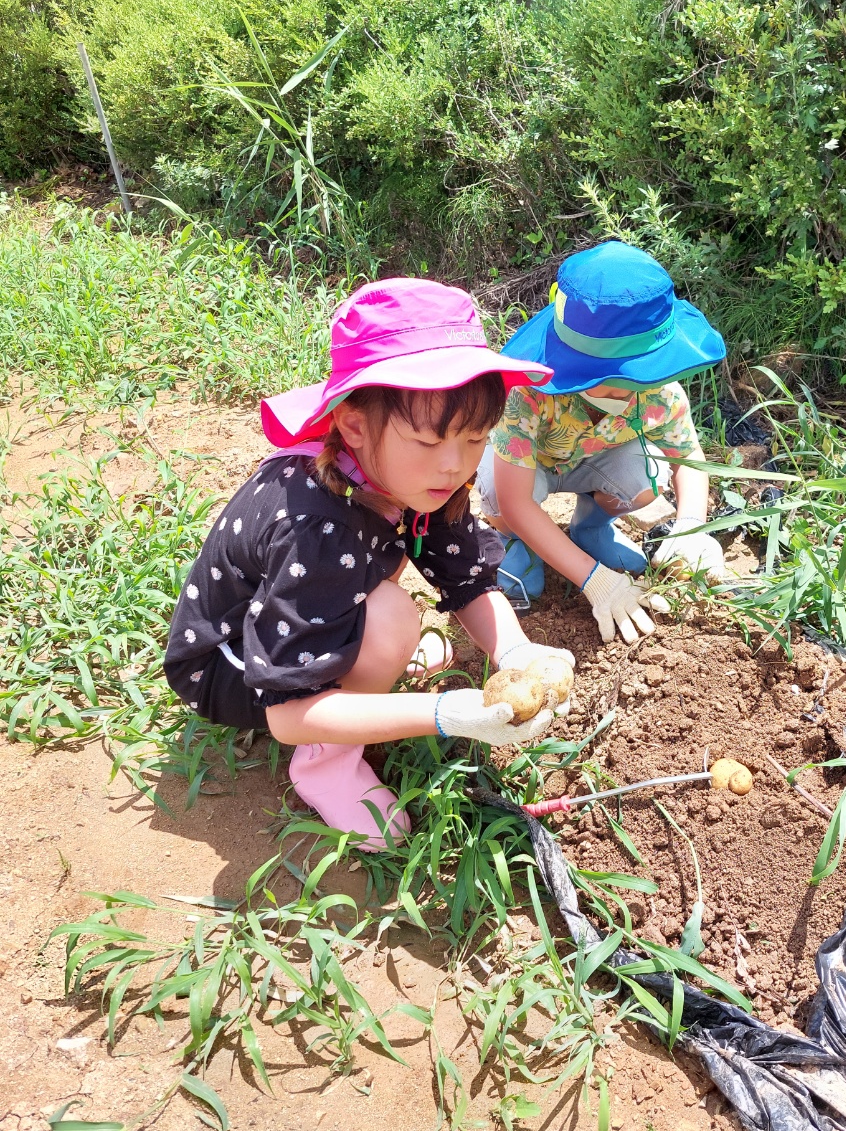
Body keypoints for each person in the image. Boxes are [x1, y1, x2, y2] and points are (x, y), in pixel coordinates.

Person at [164, 278, 574, 847]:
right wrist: (442, 712)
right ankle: (326, 767)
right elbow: (287, 713)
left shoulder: (418, 479)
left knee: (389, 612)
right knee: (394, 620)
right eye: (429, 442)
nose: (454, 466)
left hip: (312, 605)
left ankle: (360, 660)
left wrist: (515, 651)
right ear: (354, 424)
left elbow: (467, 581)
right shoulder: (318, 527)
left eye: (476, 439)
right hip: (233, 666)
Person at [477, 241, 729, 644]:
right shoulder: (528, 393)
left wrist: (691, 528)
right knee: (495, 491)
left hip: (596, 462)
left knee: (645, 476)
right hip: (530, 472)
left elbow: (687, 457)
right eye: (620, 384)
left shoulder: (659, 392)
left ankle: (591, 530)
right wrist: (595, 581)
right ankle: (512, 540)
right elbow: (515, 499)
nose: (633, 394)